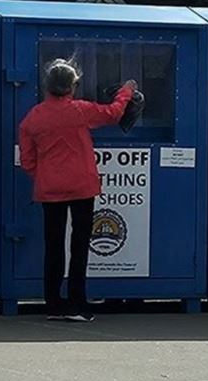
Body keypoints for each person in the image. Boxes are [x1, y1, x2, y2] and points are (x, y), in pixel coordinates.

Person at [17, 58, 135, 322]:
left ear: (46, 86)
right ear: (72, 87)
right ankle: (77, 303)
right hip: (81, 186)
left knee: (53, 245)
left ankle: (53, 304)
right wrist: (126, 91)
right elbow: (113, 113)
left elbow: (27, 160)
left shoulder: (33, 117)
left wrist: (43, 175)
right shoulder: (80, 110)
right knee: (79, 245)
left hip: (50, 188)